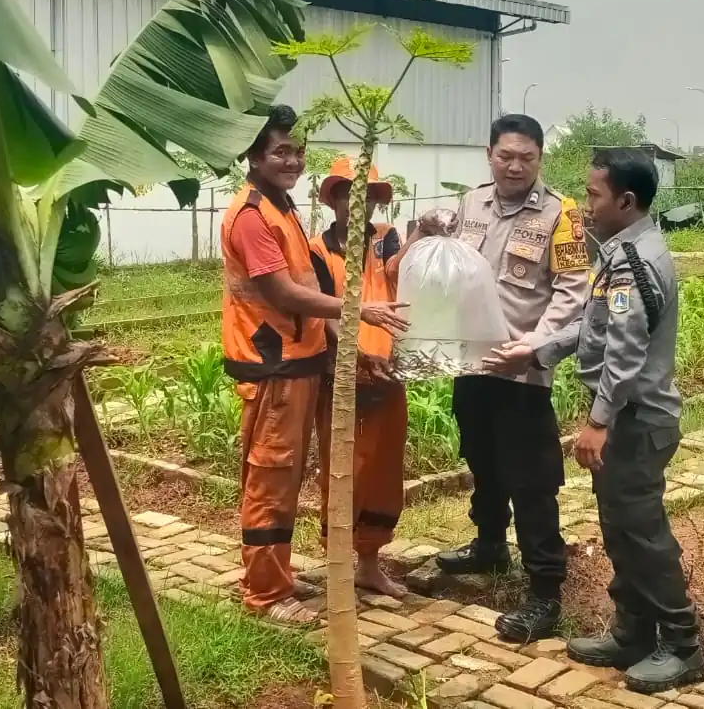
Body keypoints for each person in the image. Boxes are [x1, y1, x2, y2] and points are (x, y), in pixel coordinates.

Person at [485, 147, 704, 694]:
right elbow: (591, 323)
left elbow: (626, 353)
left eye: (594, 195)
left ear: (626, 201)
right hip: (627, 418)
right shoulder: (622, 249)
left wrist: (600, 420)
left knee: (643, 534)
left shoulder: (633, 259)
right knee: (621, 530)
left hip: (635, 419)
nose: (585, 204)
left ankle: (681, 644)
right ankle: (632, 632)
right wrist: (536, 352)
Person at [219, 106, 409, 623]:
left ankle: (276, 575)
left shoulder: (283, 209)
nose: (293, 160)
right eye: (281, 150)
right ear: (254, 155)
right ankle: (265, 593)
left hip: (303, 363)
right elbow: (282, 292)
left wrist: (352, 346)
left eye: (299, 151)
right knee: (271, 476)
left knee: (286, 476)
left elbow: (307, 291)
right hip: (272, 365)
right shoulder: (253, 215)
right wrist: (357, 310)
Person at [434, 114, 589, 643]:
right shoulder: (470, 204)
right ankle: (489, 545)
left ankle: (545, 589)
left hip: (522, 373)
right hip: (472, 364)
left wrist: (534, 349)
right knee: (481, 459)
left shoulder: (562, 214)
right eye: (507, 156)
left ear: (540, 158)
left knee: (533, 478)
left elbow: (572, 291)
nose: (516, 166)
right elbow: (450, 270)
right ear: (490, 154)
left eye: (527, 157)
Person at [309, 157, 411, 599]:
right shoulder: (318, 249)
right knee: (342, 469)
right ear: (333, 199)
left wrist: (422, 237)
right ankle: (338, 567)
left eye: (368, 196)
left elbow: (399, 276)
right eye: (350, 194)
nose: (361, 203)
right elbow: (323, 308)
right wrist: (353, 352)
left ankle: (370, 564)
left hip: (387, 371)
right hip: (342, 373)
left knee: (384, 468)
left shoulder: (386, 240)